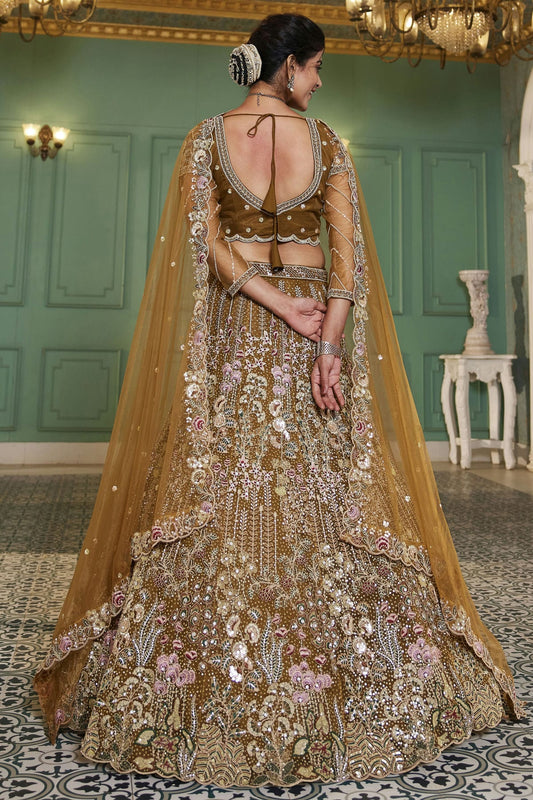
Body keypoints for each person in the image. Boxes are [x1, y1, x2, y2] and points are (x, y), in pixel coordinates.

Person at [34, 13, 521, 787]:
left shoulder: (204, 139)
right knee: (323, 485)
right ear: (288, 65)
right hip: (309, 326)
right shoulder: (326, 144)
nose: (319, 82)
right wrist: (324, 342)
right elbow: (346, 264)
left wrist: (269, 300)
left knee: (224, 480)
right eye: (316, 67)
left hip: (242, 325)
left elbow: (207, 244)